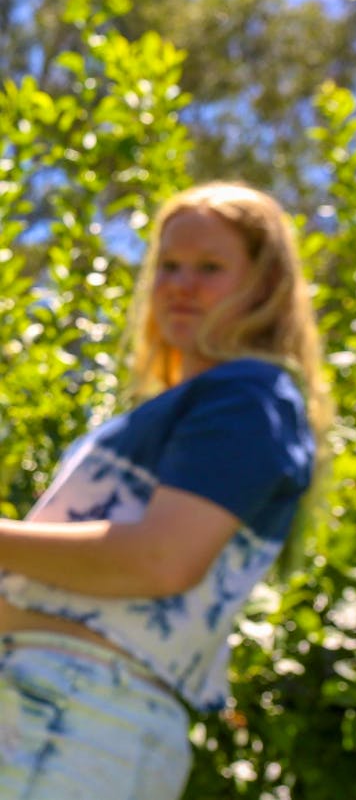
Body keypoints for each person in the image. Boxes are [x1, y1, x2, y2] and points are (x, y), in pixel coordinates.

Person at [0, 181, 330, 800]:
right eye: (169, 266)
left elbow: (162, 559)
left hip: (76, 716)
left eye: (210, 268)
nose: (181, 284)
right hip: (54, 709)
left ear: (265, 286)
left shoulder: (248, 397)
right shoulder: (193, 406)